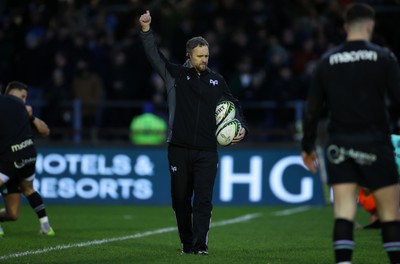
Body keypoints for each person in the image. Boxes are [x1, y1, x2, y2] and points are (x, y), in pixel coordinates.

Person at [139, 10, 248, 255]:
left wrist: (242, 127)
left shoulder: (217, 81)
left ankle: (200, 246)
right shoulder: (175, 75)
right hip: (178, 148)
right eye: (199, 56)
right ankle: (187, 243)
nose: (204, 60)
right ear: (189, 55)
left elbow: (234, 106)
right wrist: (146, 31)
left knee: (203, 201)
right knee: (180, 201)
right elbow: (153, 55)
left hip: (207, 151)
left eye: (207, 55)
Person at [301, 3, 400, 264]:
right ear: (370, 25)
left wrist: (307, 145)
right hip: (377, 142)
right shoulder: (384, 57)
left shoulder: (328, 60)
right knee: (390, 214)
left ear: (345, 27)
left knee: (344, 212)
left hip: (340, 144)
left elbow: (312, 109)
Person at [0, 81, 55, 237]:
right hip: (27, 156)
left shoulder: (22, 109)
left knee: (28, 189)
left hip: (10, 159)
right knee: (12, 214)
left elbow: (45, 131)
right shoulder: (19, 108)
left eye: (25, 97)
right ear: (10, 93)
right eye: (22, 96)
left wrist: (32, 117)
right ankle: (46, 227)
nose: (24, 100)